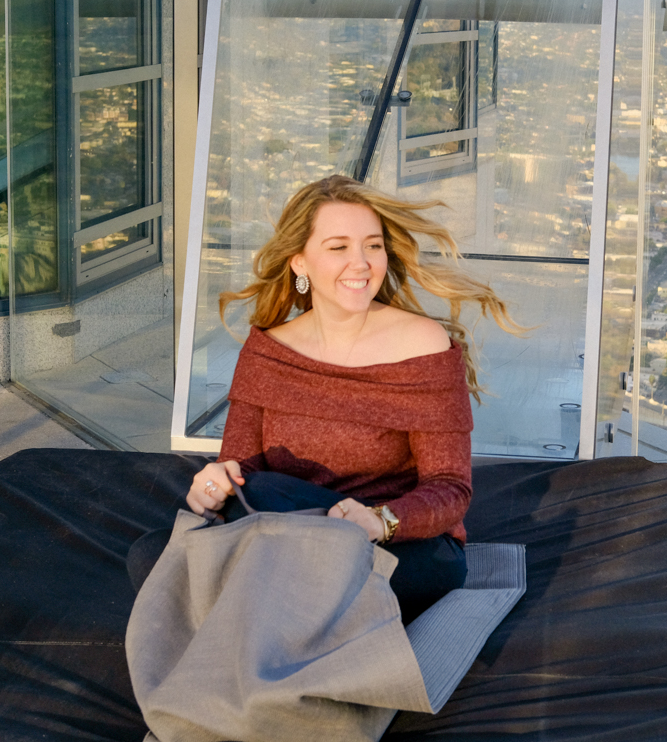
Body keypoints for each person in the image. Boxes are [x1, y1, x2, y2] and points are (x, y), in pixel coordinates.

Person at [128, 174, 522, 621]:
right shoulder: (268, 352)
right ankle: (285, 615)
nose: (361, 263)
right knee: (152, 553)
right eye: (338, 248)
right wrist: (215, 482)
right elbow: (243, 471)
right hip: (289, 531)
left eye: (372, 246)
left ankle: (256, 616)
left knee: (205, 568)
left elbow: (450, 488)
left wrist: (381, 520)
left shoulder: (423, 344)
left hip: (399, 549)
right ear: (300, 263)